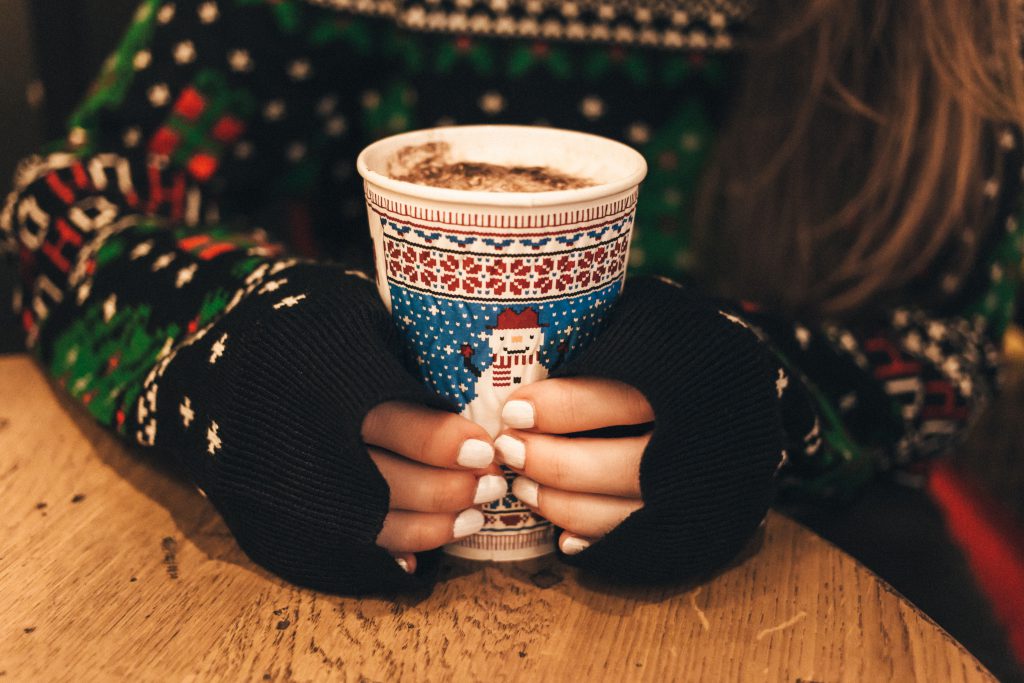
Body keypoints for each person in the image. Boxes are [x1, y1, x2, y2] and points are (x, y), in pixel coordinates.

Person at [2, 0, 1021, 595]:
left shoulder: (934, 33)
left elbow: (949, 351)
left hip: (814, 562)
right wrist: (236, 345)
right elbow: (68, 202)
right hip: (379, 564)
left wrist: (771, 402)